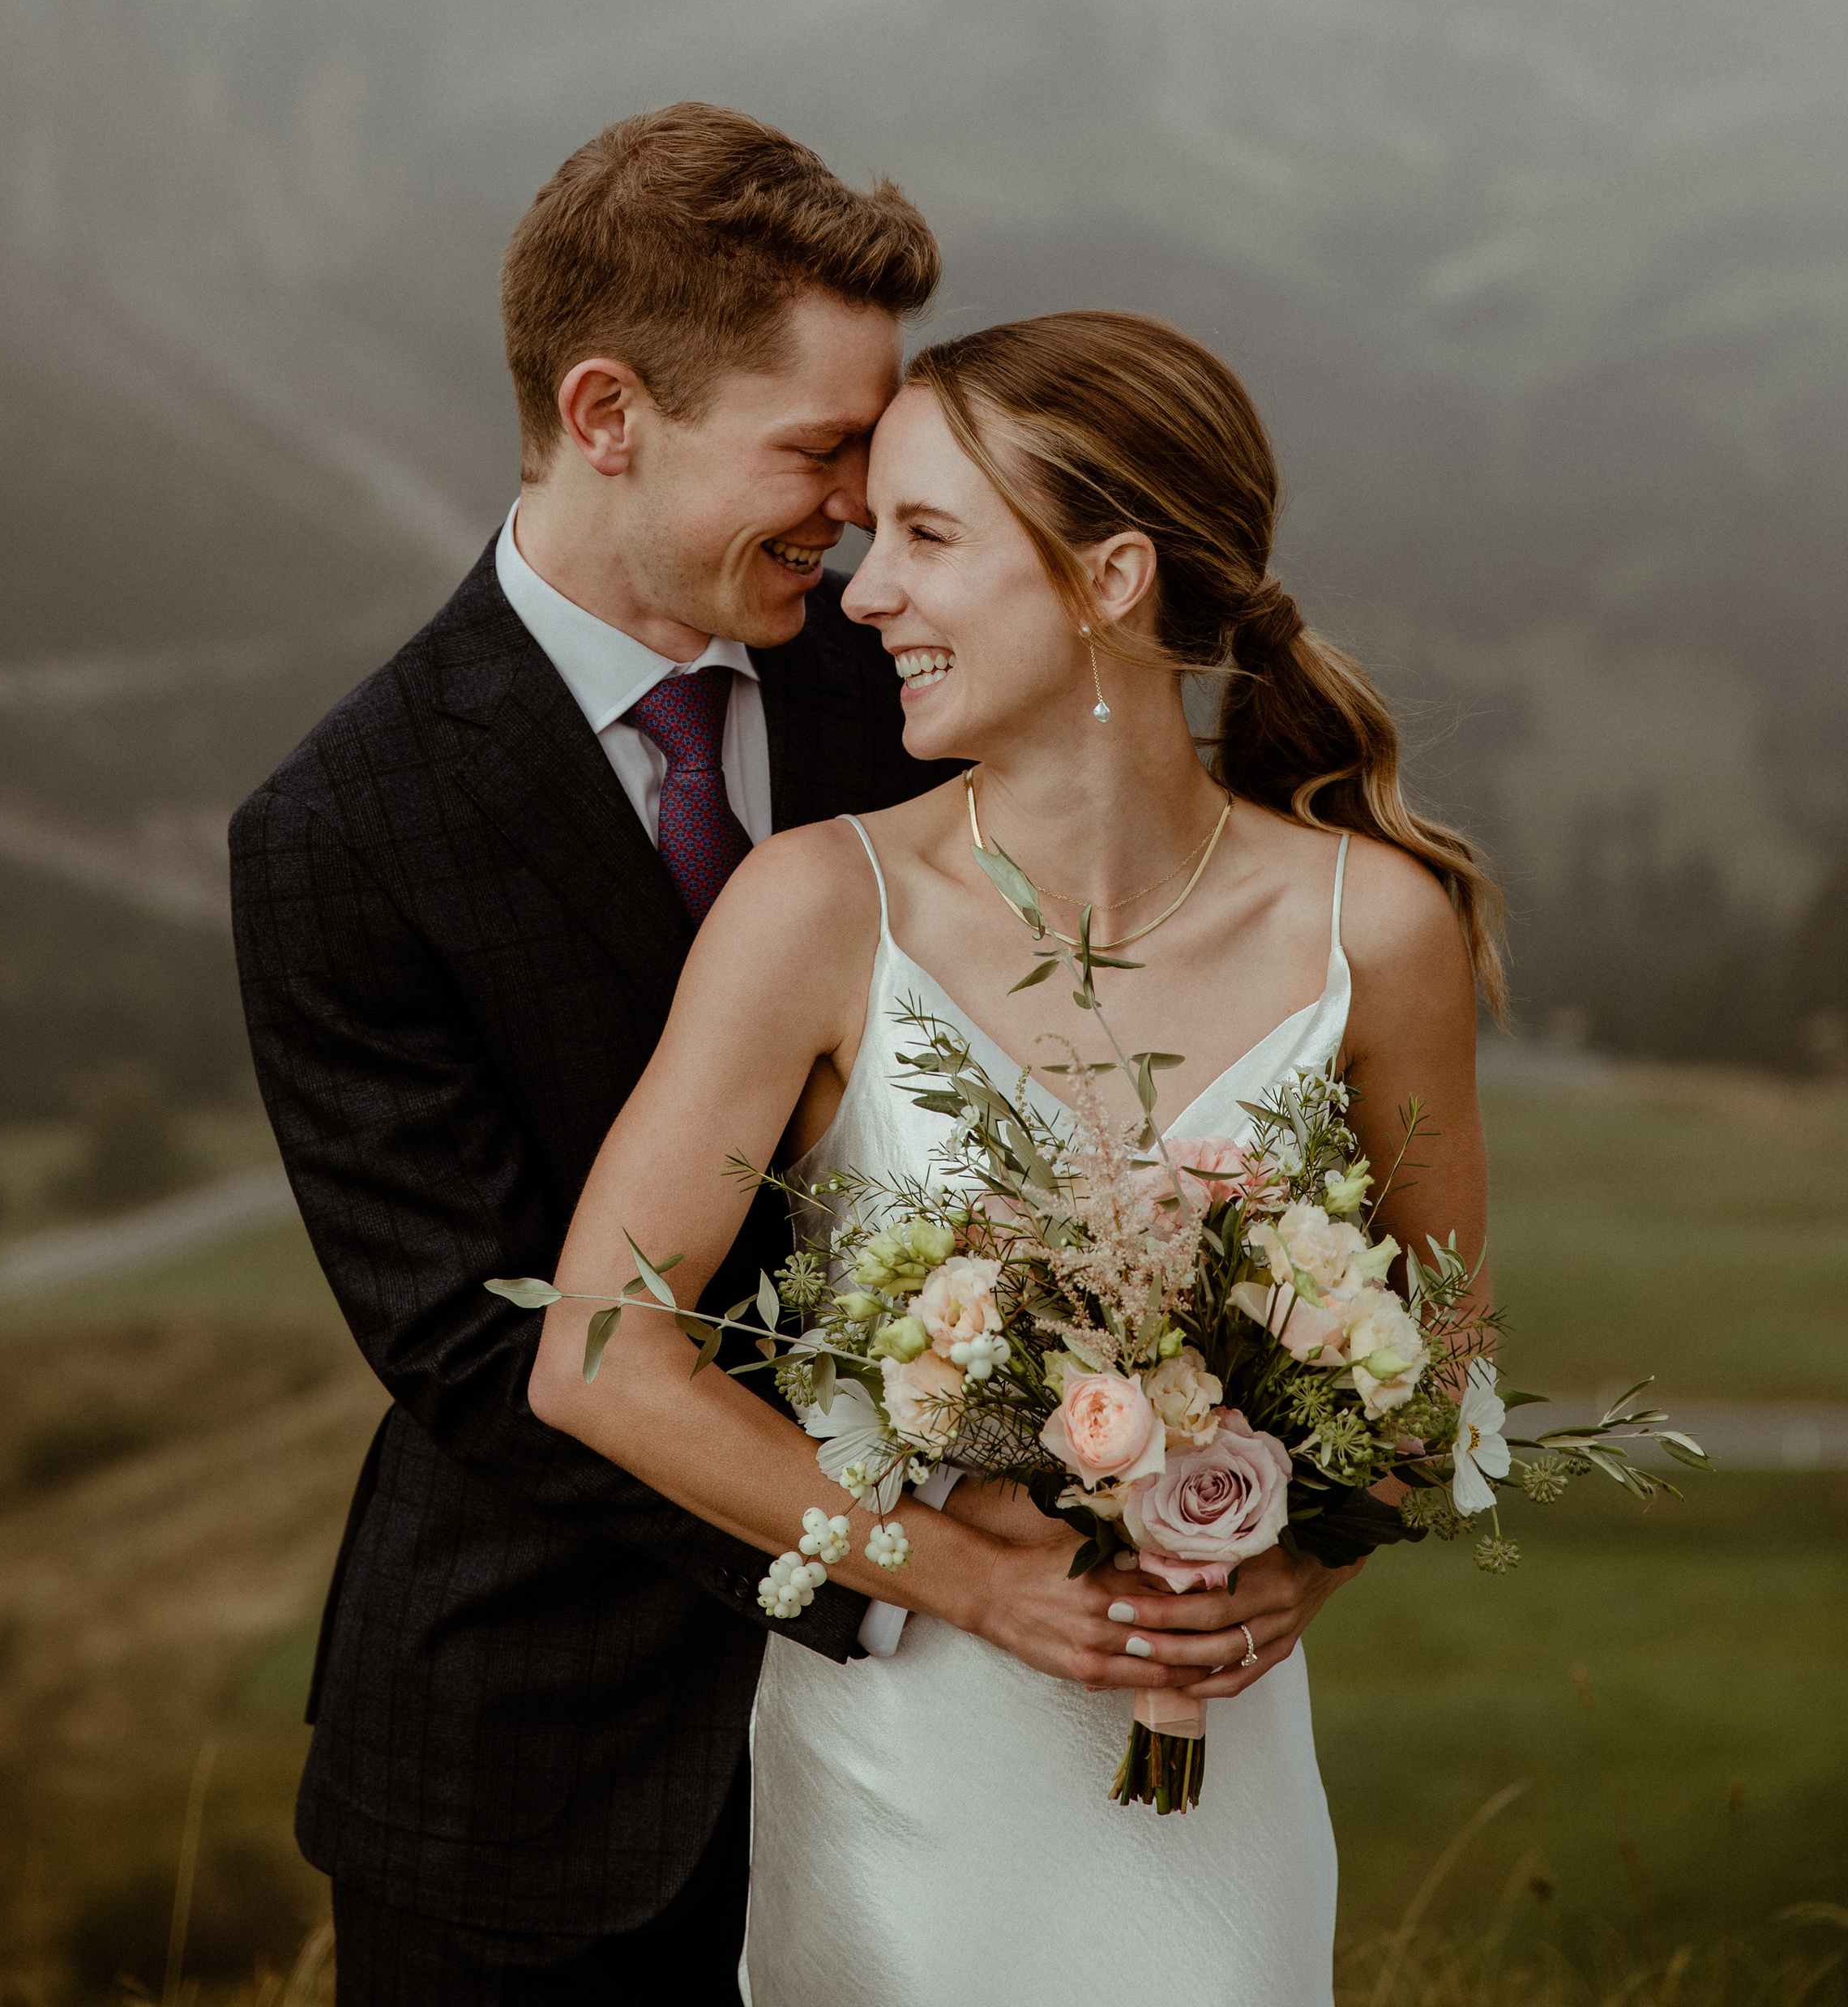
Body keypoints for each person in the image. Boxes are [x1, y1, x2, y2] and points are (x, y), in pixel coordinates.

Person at [537, 308, 1505, 2006]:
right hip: (906, 1766)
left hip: (1220, 1782)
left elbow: (1444, 1367)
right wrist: (971, 1584)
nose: (861, 593)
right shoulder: (819, 906)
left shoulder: (1376, 929)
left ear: (1106, 578)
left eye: (924, 536)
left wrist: (1285, 1571)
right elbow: (600, 1355)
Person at [231, 103, 960, 2005]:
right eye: (814, 452)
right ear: (608, 409)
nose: (860, 523)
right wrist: (898, 1565)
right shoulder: (337, 827)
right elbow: (476, 1350)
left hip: (947, 1777)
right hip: (530, 1770)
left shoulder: (911, 690)